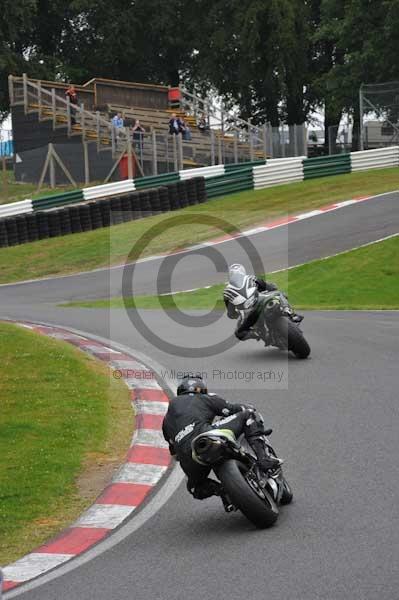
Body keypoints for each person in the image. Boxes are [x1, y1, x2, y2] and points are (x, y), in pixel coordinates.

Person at [162, 375, 281, 504]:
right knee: (248, 416)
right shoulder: (203, 398)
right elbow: (232, 409)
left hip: (188, 459)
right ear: (201, 389)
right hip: (205, 436)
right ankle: (264, 459)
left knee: (195, 487)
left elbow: (175, 455)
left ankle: (223, 491)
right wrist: (248, 407)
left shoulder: (166, 420)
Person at [223, 264, 303, 342]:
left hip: (249, 314)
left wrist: (235, 314)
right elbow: (271, 287)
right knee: (279, 293)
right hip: (261, 302)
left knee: (239, 333)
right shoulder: (251, 278)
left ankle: (257, 334)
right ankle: (290, 313)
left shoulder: (226, 292)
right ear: (243, 272)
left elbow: (231, 313)